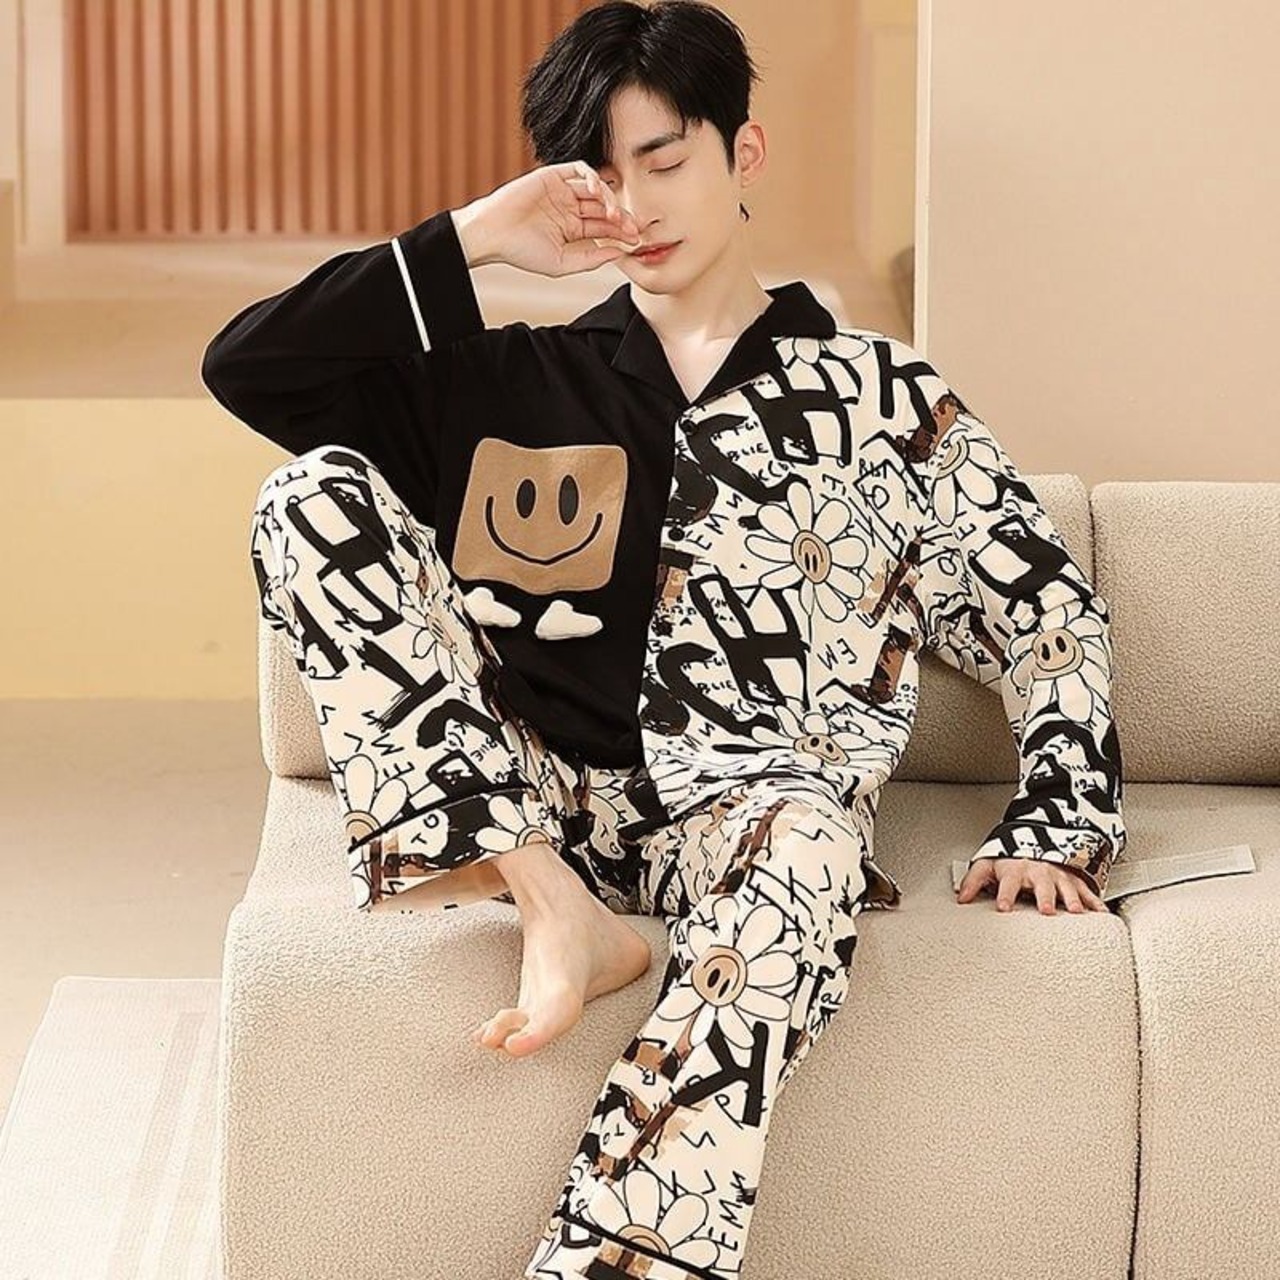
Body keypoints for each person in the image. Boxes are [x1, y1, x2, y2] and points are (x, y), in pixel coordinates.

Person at [201, 2, 1127, 1275]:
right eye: (599, 172)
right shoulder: (508, 379)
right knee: (307, 496)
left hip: (747, 822)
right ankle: (555, 905)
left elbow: (1044, 608)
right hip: (524, 803)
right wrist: (476, 238)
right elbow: (249, 367)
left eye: (663, 158)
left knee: (811, 838)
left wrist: (1056, 819)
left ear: (743, 153)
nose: (634, 205)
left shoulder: (882, 402)